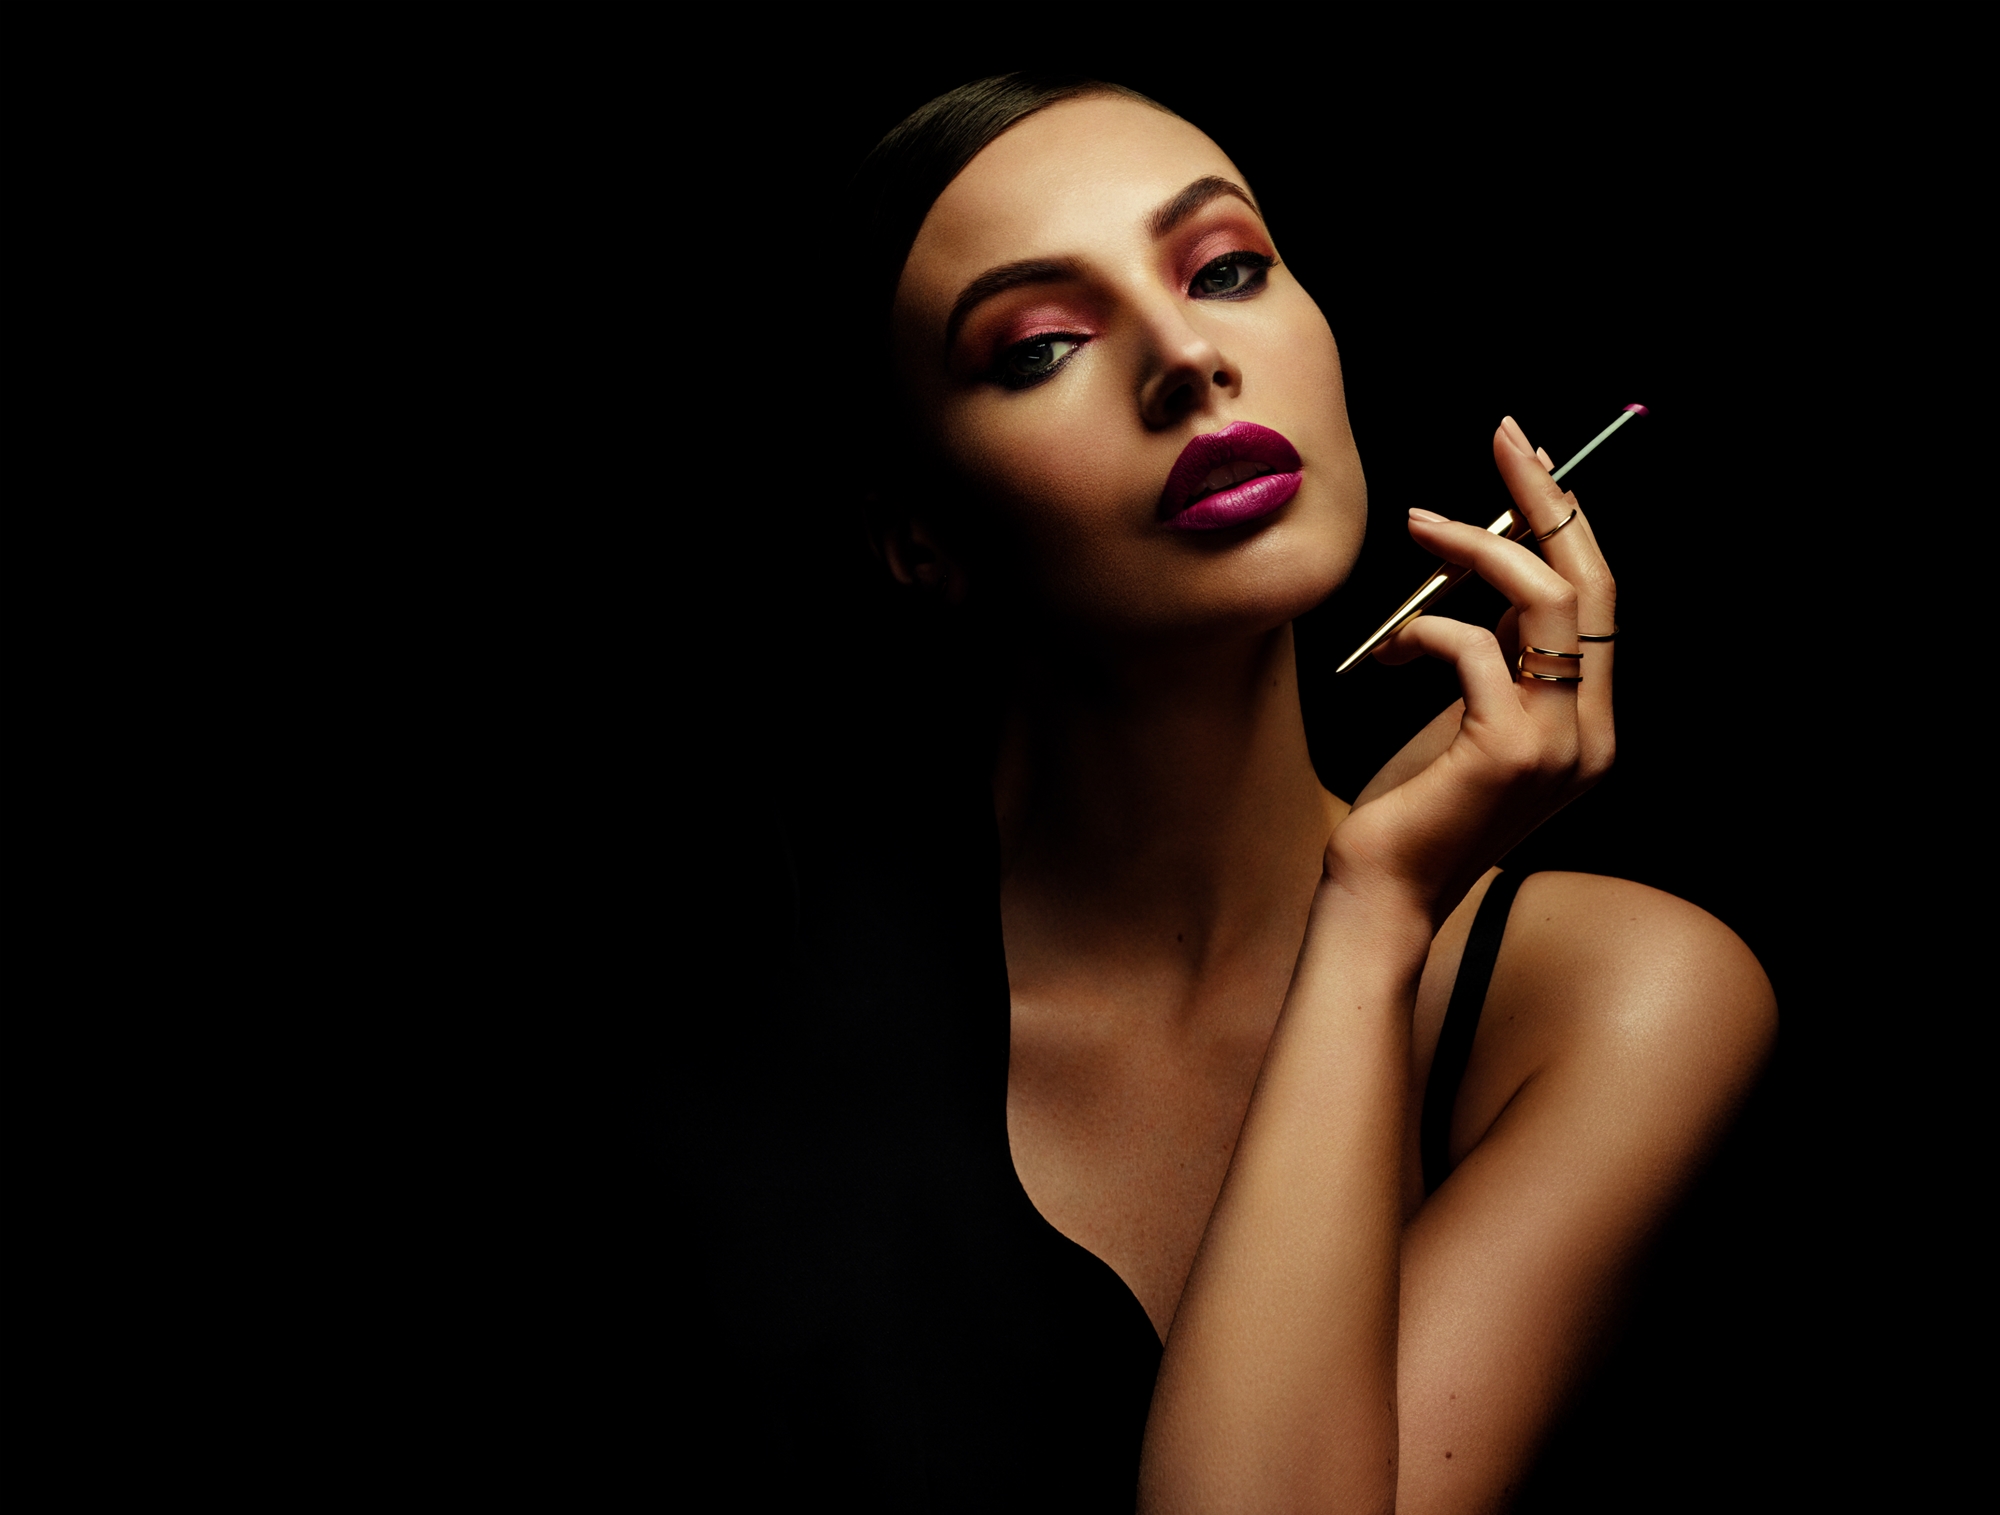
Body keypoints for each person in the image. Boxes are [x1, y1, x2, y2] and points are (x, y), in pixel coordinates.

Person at [704, 73, 1776, 1513]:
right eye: (1040, 347)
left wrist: (1373, 911)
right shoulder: (742, 970)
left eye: (1223, 269)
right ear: (917, 537)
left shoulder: (1616, 997)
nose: (1189, 357)